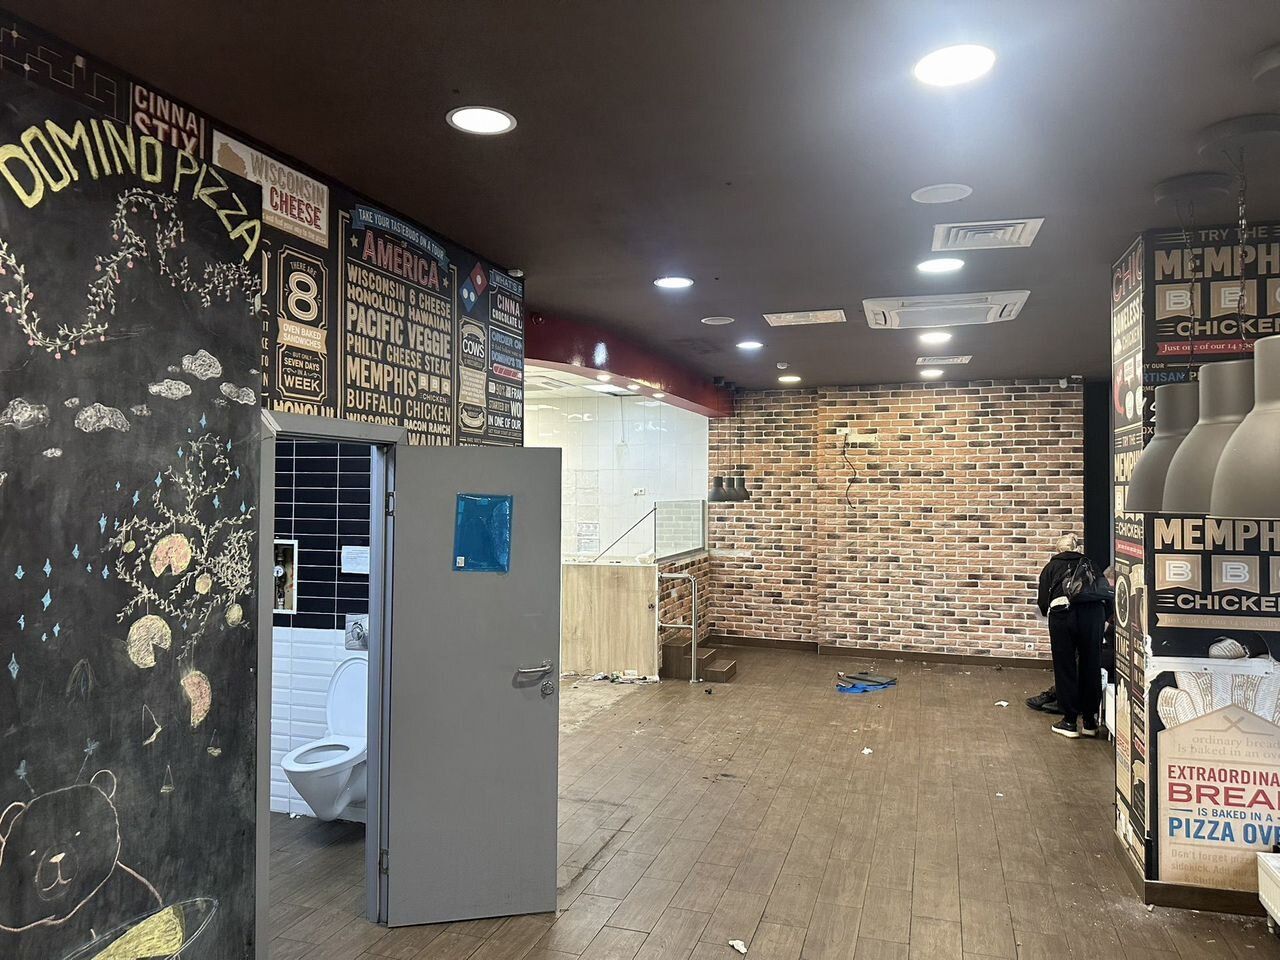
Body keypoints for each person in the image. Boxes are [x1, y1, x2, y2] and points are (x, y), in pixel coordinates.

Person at [1036, 534, 1109, 739]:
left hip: (1063, 616)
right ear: (1077, 548)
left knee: (1065, 666)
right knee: (1091, 664)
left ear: (1059, 550)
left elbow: (1043, 601)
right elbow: (1104, 591)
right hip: (1093, 615)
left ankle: (1069, 721)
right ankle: (1090, 721)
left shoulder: (1051, 567)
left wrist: (1049, 611)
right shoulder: (1090, 564)